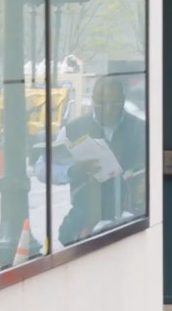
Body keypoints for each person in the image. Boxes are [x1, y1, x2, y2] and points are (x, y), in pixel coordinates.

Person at [35, 76, 145, 246]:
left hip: (132, 216)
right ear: (93, 101)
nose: (108, 110)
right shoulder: (73, 129)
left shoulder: (141, 130)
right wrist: (72, 171)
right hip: (84, 216)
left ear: (123, 101)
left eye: (114, 104)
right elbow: (41, 169)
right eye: (102, 104)